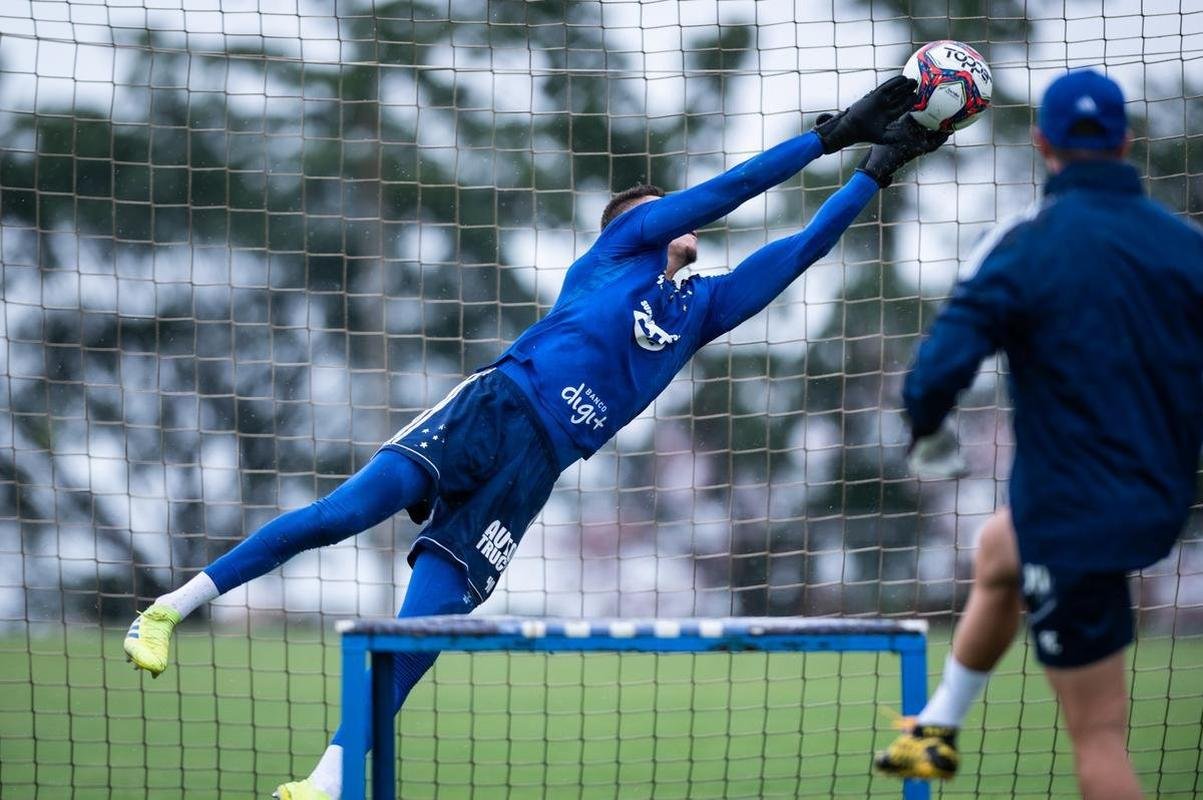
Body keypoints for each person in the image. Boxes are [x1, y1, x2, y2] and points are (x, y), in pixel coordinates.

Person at [122, 75, 944, 800]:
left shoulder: (701, 311)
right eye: (656, 213)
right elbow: (728, 189)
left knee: (422, 634)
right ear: (634, 228)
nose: (674, 222)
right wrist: (831, 134)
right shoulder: (617, 251)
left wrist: (877, 169)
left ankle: (326, 783)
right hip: (493, 409)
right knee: (340, 515)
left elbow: (804, 247)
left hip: (537, 465)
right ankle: (170, 608)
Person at [873, 69, 1203, 800]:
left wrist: (928, 435)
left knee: (1098, 744)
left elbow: (932, 376)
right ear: (1124, 142)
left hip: (1074, 516)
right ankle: (934, 734)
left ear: (1041, 142)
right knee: (997, 548)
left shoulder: (1025, 243)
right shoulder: (1187, 248)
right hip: (1159, 498)